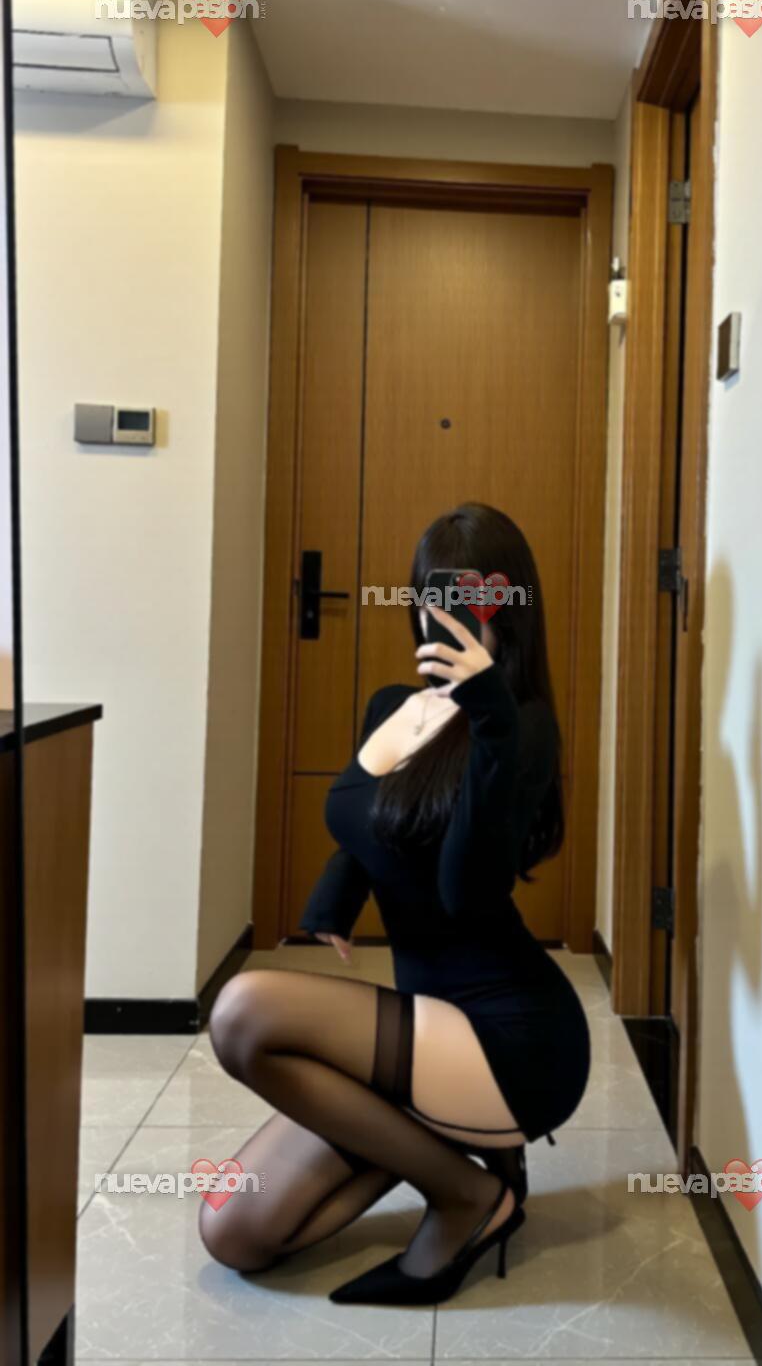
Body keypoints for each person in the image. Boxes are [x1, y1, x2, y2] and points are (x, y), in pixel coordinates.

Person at [200, 502, 590, 1305]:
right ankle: (466, 1163)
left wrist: (490, 720)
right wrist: (336, 893)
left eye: (470, 595)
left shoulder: (524, 730)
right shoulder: (391, 707)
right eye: (428, 593)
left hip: (507, 1040)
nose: (442, 613)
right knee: (233, 1230)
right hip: (419, 1036)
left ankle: (466, 1196)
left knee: (242, 1011)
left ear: (508, 605)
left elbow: (464, 893)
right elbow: (374, 822)